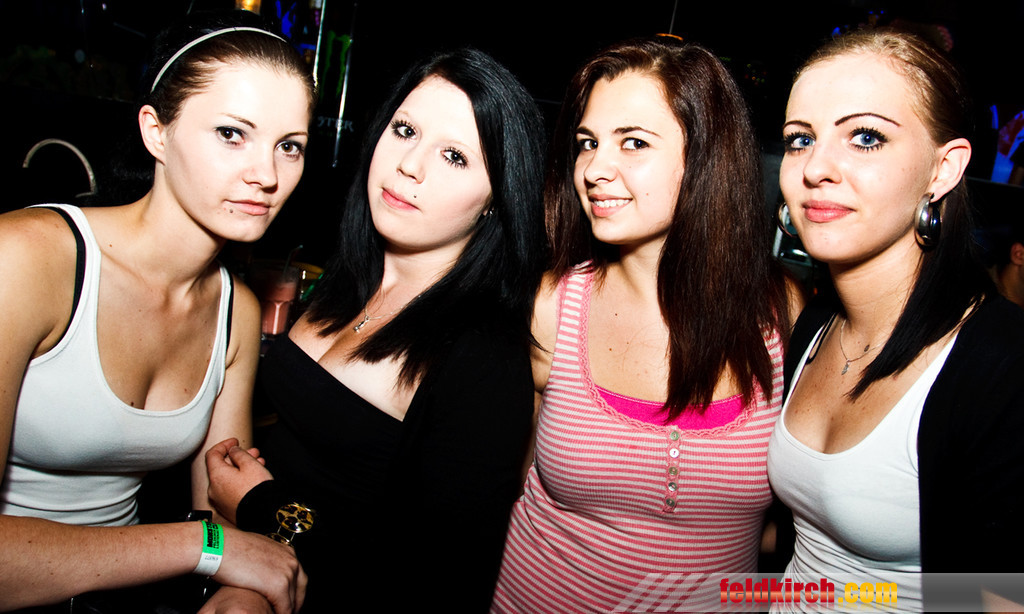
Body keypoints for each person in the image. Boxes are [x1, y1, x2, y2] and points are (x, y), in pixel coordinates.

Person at [205, 47, 547, 612]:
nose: (409, 165)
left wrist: (264, 504)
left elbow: (438, 583)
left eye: (455, 156)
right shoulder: (345, 281)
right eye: (405, 130)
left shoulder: (481, 357)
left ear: (496, 199)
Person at [0, 10, 314, 614]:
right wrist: (200, 546)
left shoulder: (236, 310)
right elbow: (212, 541)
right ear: (156, 131)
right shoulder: (29, 259)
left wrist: (242, 595)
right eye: (232, 133)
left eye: (289, 146)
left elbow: (224, 511)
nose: (266, 175)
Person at [491, 36, 796, 612]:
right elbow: (497, 479)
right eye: (587, 143)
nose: (594, 169)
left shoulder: (783, 314)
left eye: (633, 142)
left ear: (705, 157)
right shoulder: (552, 306)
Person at [766, 28, 1024, 612]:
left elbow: (997, 598)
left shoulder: (1002, 369)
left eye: (866, 137)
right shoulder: (814, 326)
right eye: (800, 139)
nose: (816, 167)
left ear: (943, 169)